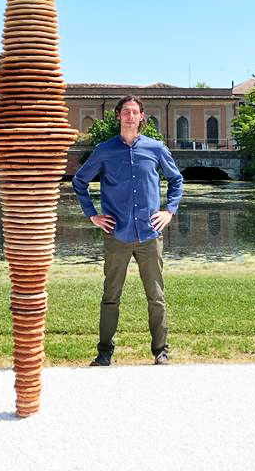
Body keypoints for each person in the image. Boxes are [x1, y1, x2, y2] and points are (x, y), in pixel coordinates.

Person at [72, 95, 184, 366]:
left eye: (135, 112)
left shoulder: (156, 149)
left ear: (142, 117)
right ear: (118, 117)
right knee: (110, 296)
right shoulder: (104, 150)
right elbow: (79, 182)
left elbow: (176, 179)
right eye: (125, 112)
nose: (130, 117)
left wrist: (169, 211)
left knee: (156, 296)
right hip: (116, 235)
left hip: (149, 234)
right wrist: (93, 215)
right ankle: (104, 353)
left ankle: (161, 351)